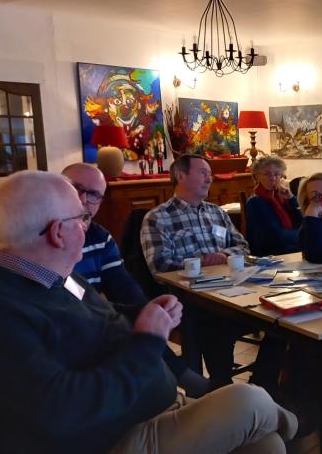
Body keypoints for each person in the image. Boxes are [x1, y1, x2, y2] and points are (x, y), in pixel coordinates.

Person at [0, 170, 297, 453]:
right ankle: (297, 423)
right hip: (116, 436)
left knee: (267, 445)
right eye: (81, 218)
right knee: (249, 402)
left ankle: (283, 426)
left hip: (151, 404)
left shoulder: (52, 274)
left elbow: (100, 310)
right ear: (57, 232)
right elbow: (63, 411)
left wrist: (144, 313)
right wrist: (147, 340)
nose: (88, 225)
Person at [62, 162, 211, 398]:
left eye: (94, 195)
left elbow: (124, 288)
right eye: (74, 189)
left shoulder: (100, 237)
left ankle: (182, 385)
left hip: (92, 316)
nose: (83, 199)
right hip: (68, 331)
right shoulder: (43, 241)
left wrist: (151, 310)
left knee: (144, 316)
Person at [141, 154, 251, 386]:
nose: (209, 179)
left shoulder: (218, 213)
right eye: (203, 173)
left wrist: (223, 255)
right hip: (192, 299)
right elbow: (159, 266)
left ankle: (267, 381)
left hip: (231, 292)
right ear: (181, 176)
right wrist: (202, 262)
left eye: (210, 174)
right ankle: (219, 388)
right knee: (215, 327)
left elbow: (243, 247)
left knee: (276, 325)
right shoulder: (158, 218)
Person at [244, 155, 303, 256]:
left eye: (276, 174)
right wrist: (303, 234)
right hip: (271, 256)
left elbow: (303, 221)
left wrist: (291, 198)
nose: (273, 178)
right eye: (267, 174)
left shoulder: (282, 196)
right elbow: (276, 236)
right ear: (257, 177)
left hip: (292, 250)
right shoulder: (255, 202)